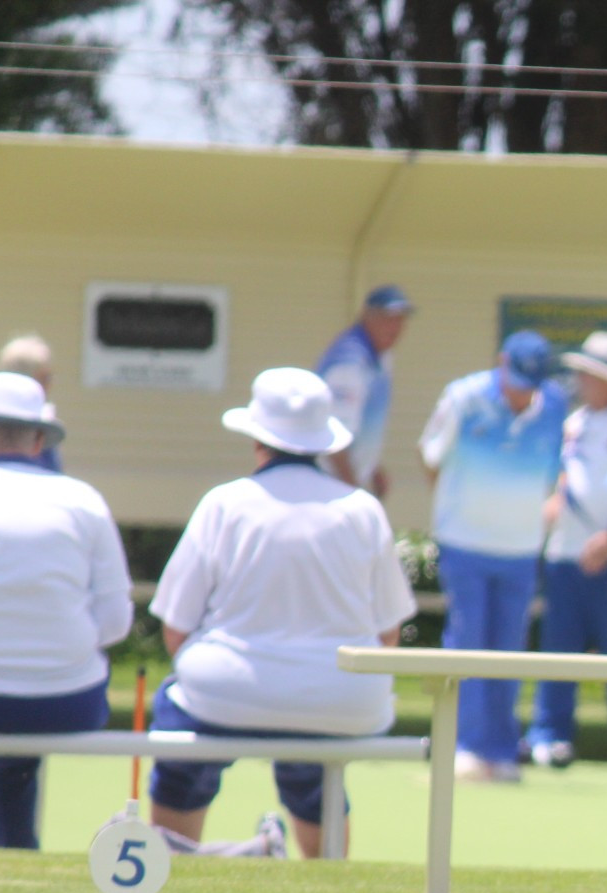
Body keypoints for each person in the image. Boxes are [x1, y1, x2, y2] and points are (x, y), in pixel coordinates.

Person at [146, 368, 416, 858]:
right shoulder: (362, 508)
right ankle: (326, 877)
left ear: (256, 438)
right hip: (343, 699)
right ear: (322, 441)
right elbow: (389, 633)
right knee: (315, 757)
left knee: (179, 734)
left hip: (225, 691)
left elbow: (175, 630)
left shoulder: (223, 504)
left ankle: (169, 863)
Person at [0, 372, 131, 849]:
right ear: (40, 438)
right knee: (2, 743)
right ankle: (5, 848)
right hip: (68, 702)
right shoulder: (84, 501)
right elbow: (116, 624)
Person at [419, 330, 568, 780]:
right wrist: (457, 509)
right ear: (501, 362)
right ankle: (462, 747)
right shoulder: (463, 397)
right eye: (517, 378)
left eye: (531, 383)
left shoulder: (556, 403)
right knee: (466, 642)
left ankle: (500, 751)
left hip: (521, 549)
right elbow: (430, 458)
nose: (523, 391)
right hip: (463, 544)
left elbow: (556, 468)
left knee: (508, 649)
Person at [524, 331, 607, 768]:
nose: (580, 382)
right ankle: (550, 736)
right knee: (560, 651)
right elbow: (565, 475)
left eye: (589, 374)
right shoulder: (575, 422)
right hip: (565, 556)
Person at [318, 284, 413, 498]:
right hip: (327, 485)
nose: (395, 327)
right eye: (388, 318)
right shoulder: (350, 364)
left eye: (401, 320)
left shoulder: (380, 357)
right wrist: (353, 495)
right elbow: (334, 440)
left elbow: (360, 426)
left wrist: (372, 467)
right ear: (367, 316)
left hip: (343, 483)